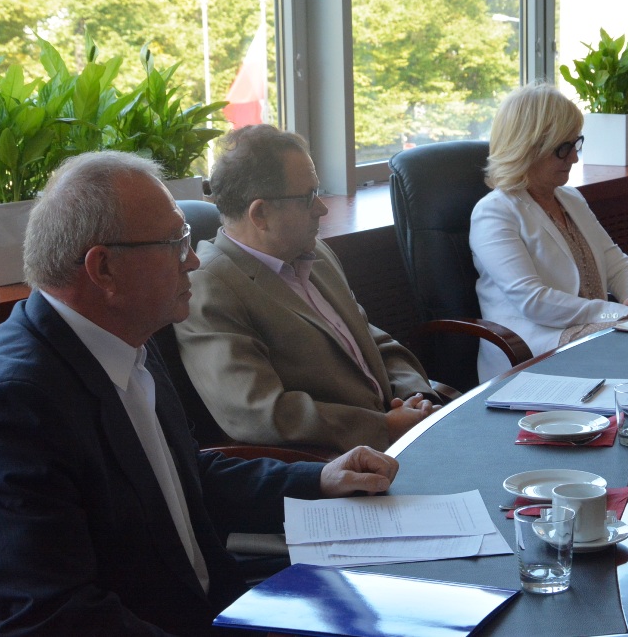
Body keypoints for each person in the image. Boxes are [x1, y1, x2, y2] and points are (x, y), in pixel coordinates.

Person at [0, 151, 399, 636]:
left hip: (213, 603)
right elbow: (58, 618)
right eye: (175, 244)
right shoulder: (10, 407)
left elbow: (182, 475)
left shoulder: (125, 336)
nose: (193, 260)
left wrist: (320, 480)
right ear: (104, 269)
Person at [174, 125, 441, 455]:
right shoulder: (210, 285)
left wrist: (417, 397)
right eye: (309, 197)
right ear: (260, 214)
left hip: (404, 434)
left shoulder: (314, 254)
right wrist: (384, 427)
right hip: (336, 462)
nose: (322, 209)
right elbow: (258, 411)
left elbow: (371, 339)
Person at [469, 82, 628, 382]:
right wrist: (618, 313)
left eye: (576, 144)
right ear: (528, 147)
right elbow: (534, 301)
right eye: (563, 149)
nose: (574, 158)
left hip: (595, 332)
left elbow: (618, 264)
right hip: (533, 347)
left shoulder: (570, 198)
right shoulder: (494, 212)